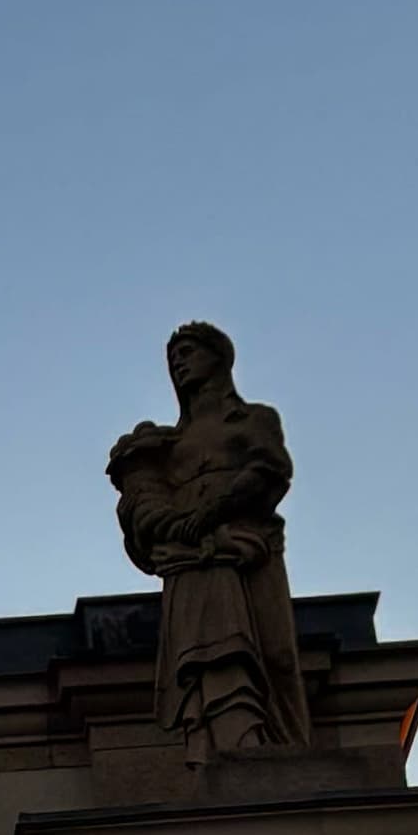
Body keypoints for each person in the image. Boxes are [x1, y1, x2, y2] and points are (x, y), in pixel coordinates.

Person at [108, 324, 310, 758]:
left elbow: (269, 472)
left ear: (219, 357)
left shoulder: (255, 418)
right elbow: (141, 506)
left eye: (188, 351)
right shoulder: (169, 443)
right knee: (213, 651)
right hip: (196, 562)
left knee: (274, 651)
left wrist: (206, 513)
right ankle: (229, 744)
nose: (178, 363)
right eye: (173, 358)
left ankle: (289, 750)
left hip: (250, 549)